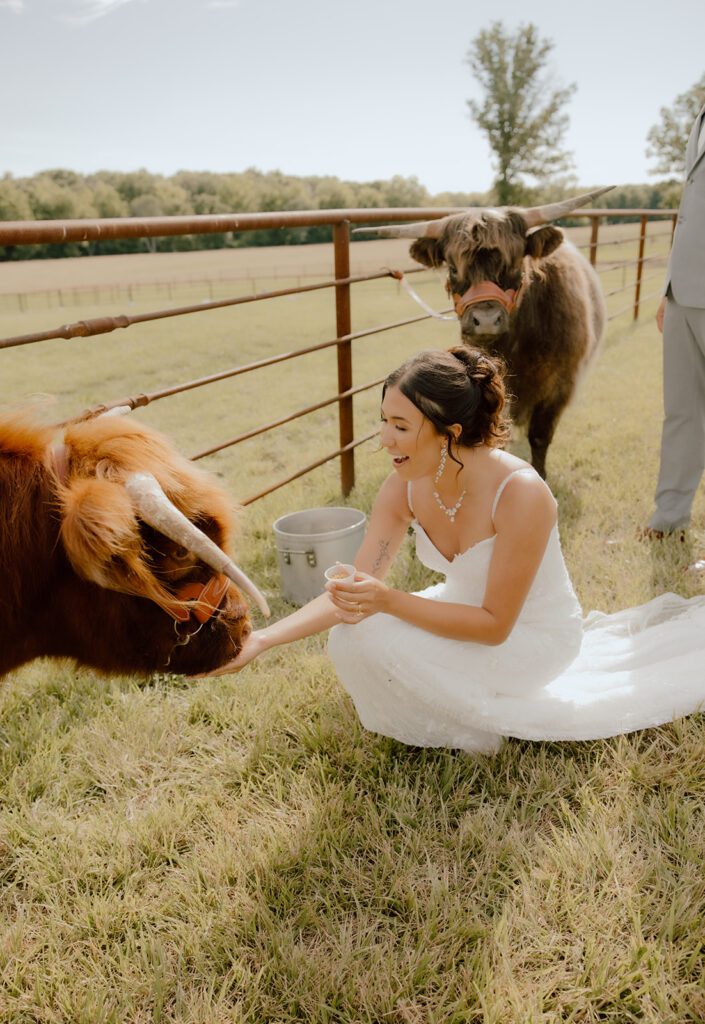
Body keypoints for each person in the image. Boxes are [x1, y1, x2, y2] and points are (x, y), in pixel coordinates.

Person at [205, 347, 705, 754]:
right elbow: (352, 591)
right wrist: (264, 641)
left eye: (401, 426)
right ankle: (454, 715)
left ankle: (473, 731)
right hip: (456, 611)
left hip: (531, 637)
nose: (384, 439)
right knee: (353, 634)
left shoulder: (521, 493)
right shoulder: (401, 487)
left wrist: (390, 601)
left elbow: (494, 627)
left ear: (451, 432)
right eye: (384, 422)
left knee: (375, 628)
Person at [644, 97, 705, 539]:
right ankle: (669, 521)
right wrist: (669, 286)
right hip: (684, 291)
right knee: (681, 413)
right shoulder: (701, 112)